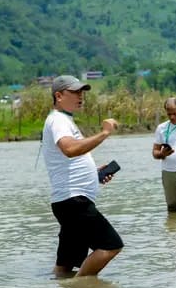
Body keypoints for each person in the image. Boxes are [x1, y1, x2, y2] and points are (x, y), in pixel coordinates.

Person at [42, 75, 123, 277]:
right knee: (111, 245)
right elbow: (69, 149)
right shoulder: (59, 120)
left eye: (82, 92)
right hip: (74, 202)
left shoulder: (62, 120)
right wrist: (104, 133)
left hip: (68, 202)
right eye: (75, 92)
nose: (81, 96)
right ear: (59, 96)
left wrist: (93, 175)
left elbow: (68, 159)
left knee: (65, 265)